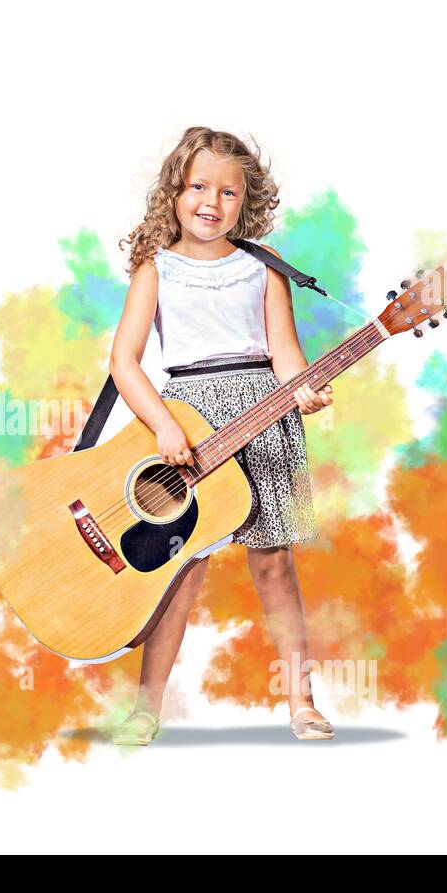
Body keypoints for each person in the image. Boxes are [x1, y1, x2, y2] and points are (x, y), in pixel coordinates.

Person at [108, 126, 334, 745]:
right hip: (189, 428)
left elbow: (286, 357)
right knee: (178, 574)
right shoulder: (157, 270)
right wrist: (163, 425)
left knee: (275, 567)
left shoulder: (264, 270)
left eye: (228, 192)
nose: (212, 202)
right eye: (199, 187)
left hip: (265, 420)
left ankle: (302, 701)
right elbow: (125, 361)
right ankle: (146, 708)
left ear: (247, 200)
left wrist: (304, 390)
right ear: (174, 192)